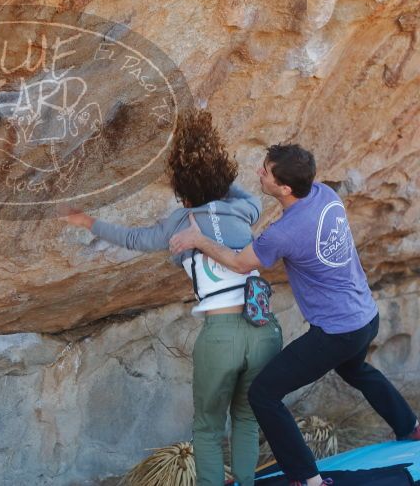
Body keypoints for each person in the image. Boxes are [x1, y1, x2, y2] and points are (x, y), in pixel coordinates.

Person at [169, 143, 420, 486]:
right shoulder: (325, 194)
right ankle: (411, 427)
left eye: (266, 171)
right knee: (354, 367)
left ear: (285, 188)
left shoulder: (285, 232)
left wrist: (199, 239)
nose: (259, 172)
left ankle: (308, 479)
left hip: (337, 332)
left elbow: (241, 263)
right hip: (365, 317)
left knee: (264, 394)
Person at [59, 110, 282, 486]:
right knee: (247, 417)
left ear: (181, 189)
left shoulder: (179, 224)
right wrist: (211, 161)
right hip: (263, 329)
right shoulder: (244, 210)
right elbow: (239, 192)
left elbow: (133, 239)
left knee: (208, 428)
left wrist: (86, 222)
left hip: (221, 334)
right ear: (222, 177)